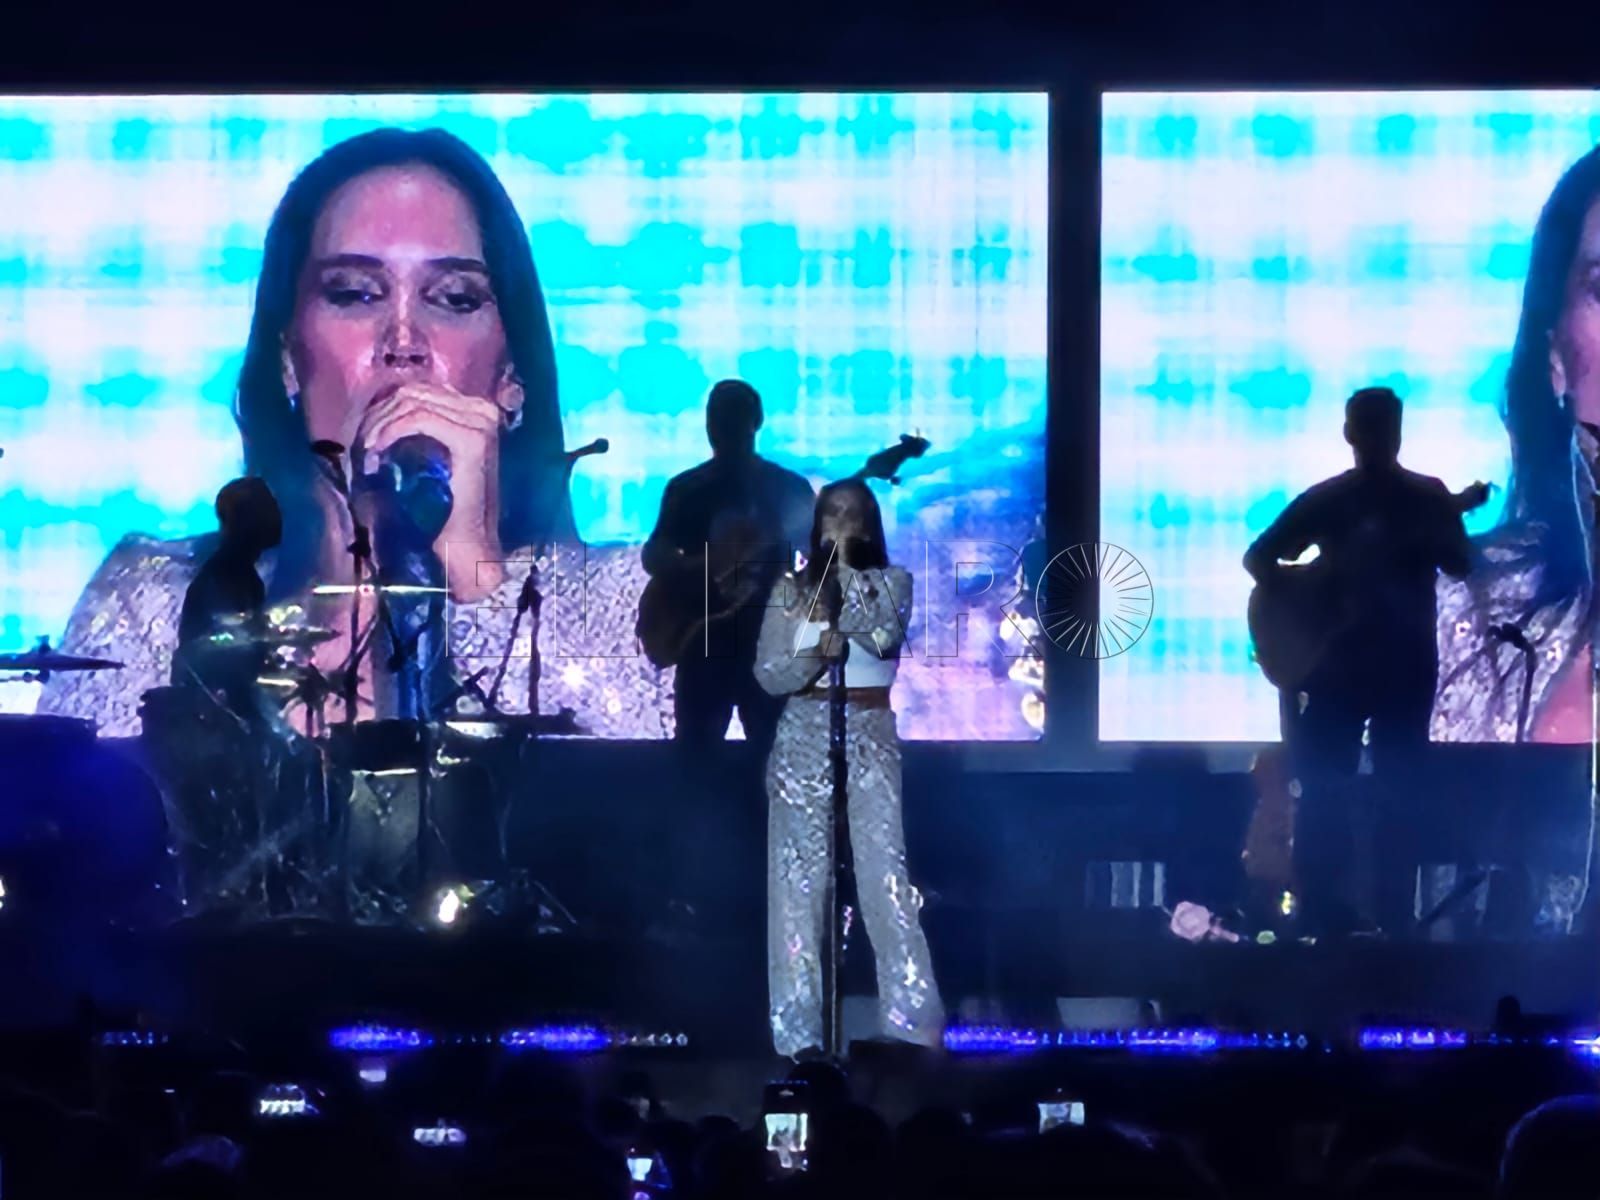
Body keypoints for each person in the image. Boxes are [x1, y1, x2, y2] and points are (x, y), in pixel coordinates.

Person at [37, 127, 668, 737]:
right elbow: (65, 827)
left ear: (512, 378)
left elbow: (670, 812)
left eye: (452, 298)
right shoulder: (153, 599)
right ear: (288, 358)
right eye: (356, 294)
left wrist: (477, 579)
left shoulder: (615, 607)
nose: (403, 343)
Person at [1245, 386, 1477, 934]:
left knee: (1383, 792)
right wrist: (1312, 589)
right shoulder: (1348, 499)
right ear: (1356, 433)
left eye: (1383, 427)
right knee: (1335, 791)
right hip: (1347, 667)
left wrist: (1437, 529)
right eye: (1372, 427)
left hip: (1391, 667)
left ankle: (1377, 917)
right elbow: (1260, 558)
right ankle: (1333, 914)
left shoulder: (1417, 499)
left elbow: (1459, 563)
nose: (1377, 438)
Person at [754, 479, 943, 1057]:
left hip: (868, 732)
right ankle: (799, 1038)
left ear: (869, 522)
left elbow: (881, 635)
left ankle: (911, 1024)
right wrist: (815, 637)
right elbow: (772, 673)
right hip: (804, 732)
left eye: (853, 513)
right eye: (831, 512)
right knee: (798, 884)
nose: (842, 520)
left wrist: (842, 574)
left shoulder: (893, 583)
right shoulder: (791, 589)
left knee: (884, 873)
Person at [641, 378, 816, 758]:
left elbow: (822, 557)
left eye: (729, 417)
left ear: (755, 421)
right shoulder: (687, 489)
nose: (719, 427)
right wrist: (701, 565)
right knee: (697, 758)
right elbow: (655, 555)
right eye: (716, 418)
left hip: (768, 645)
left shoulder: (786, 488)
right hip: (703, 642)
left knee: (774, 761)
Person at [170, 477, 282, 715]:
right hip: (214, 713)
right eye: (268, 506)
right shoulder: (225, 577)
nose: (277, 514)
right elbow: (217, 657)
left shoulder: (244, 576)